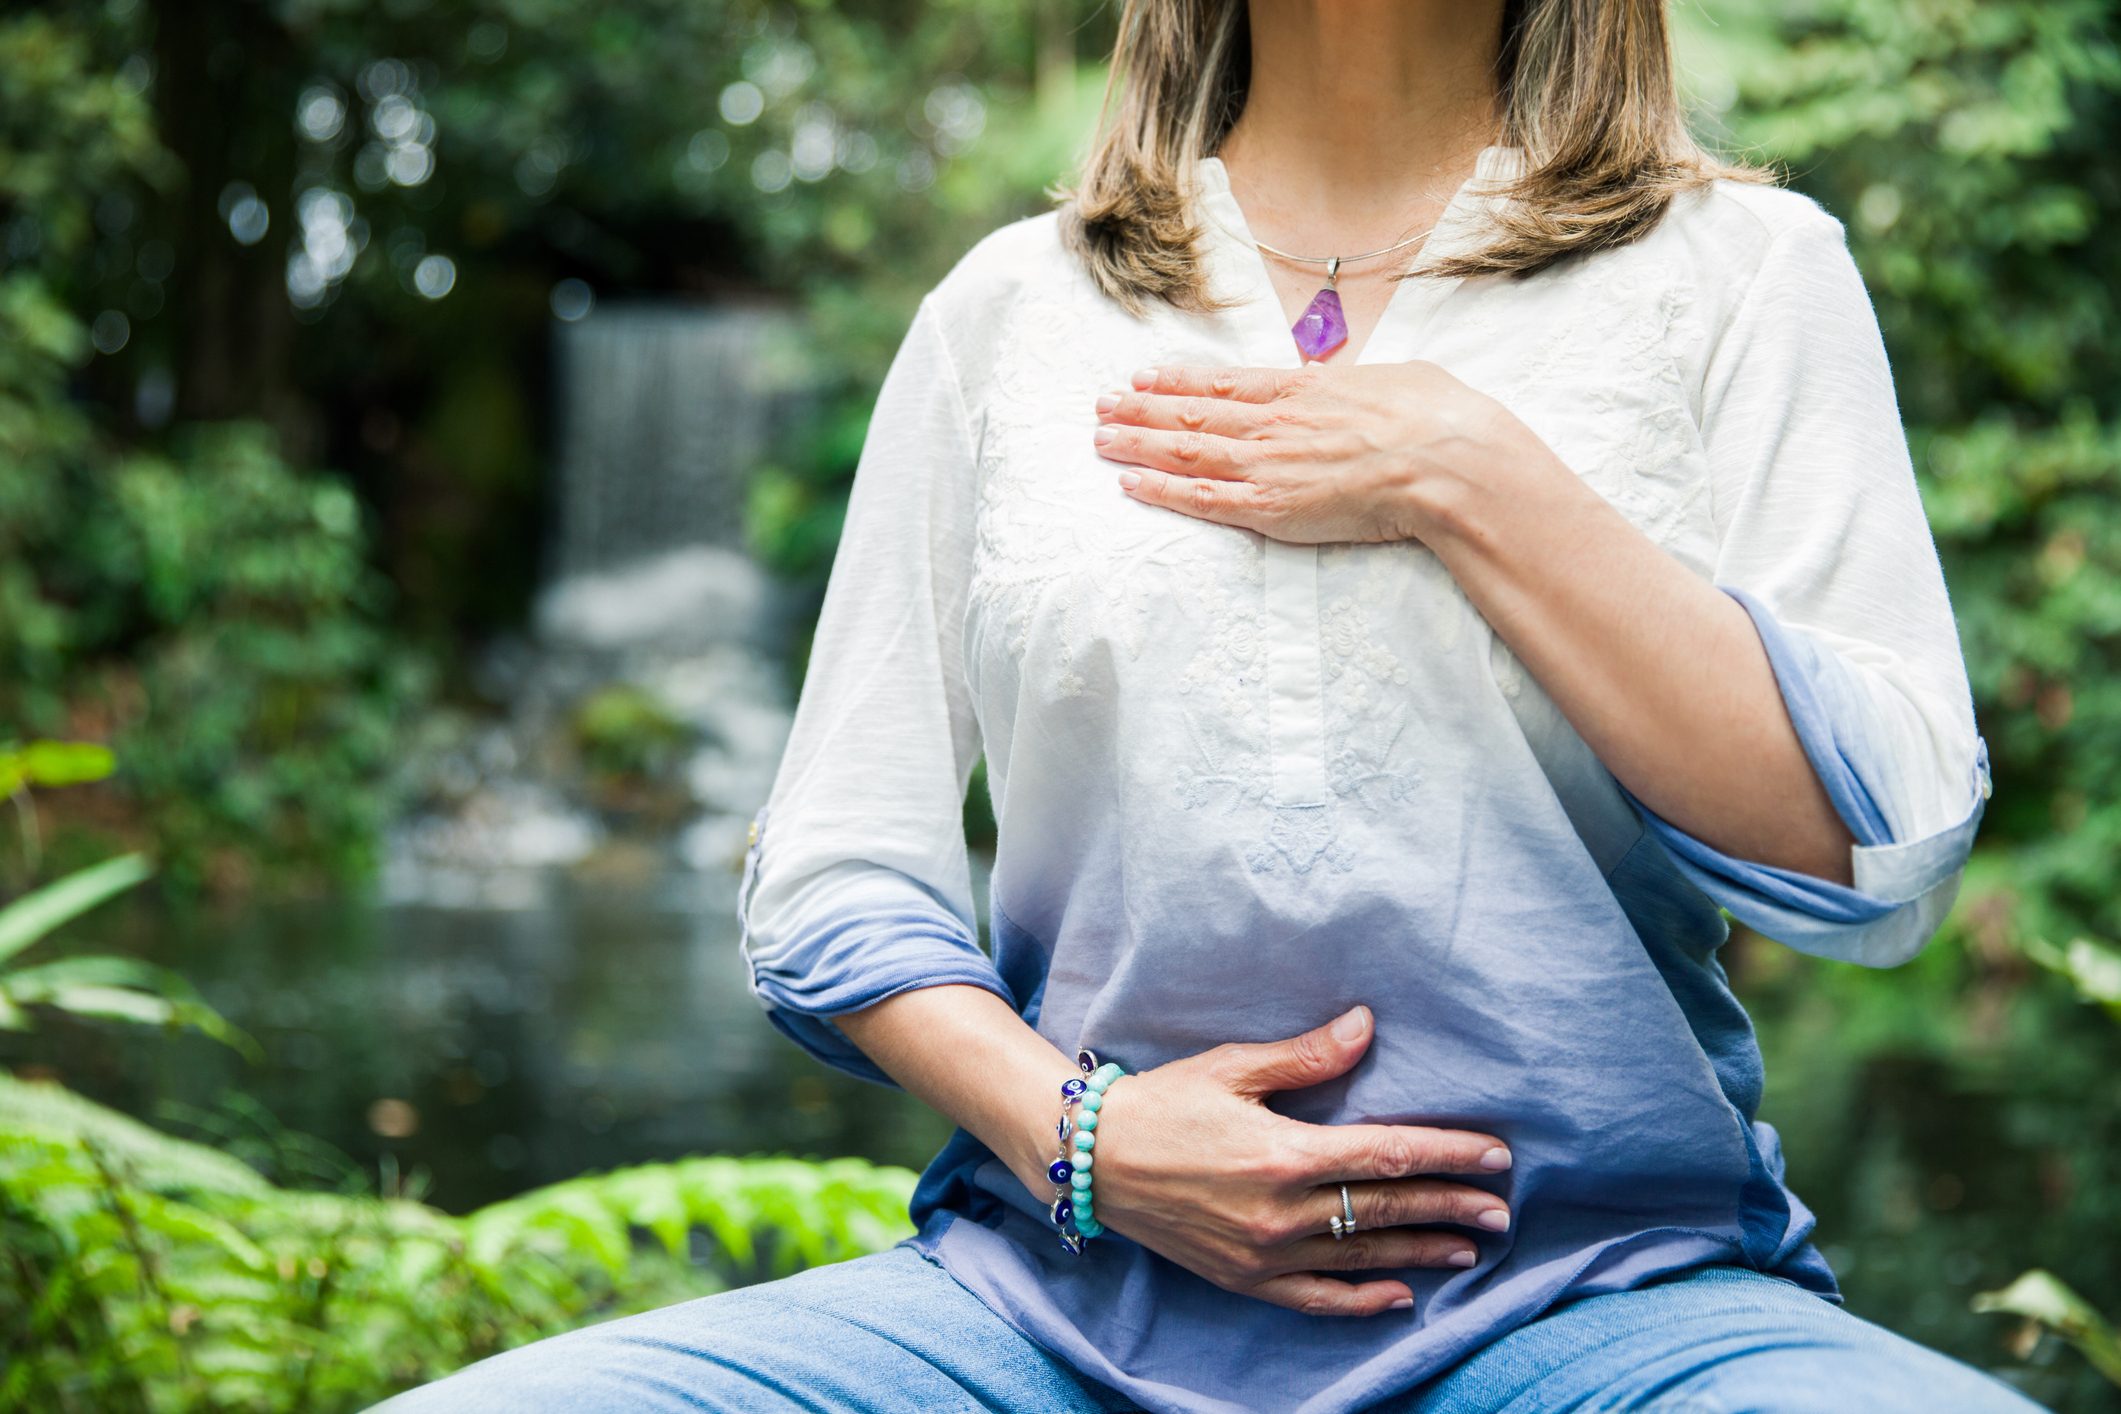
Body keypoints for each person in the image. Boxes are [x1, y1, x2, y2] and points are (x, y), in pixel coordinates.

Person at [376, 1, 2045, 1410]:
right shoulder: (1008, 312)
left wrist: (1466, 474)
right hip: (1036, 1309)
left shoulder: (1742, 272)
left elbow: (1876, 847)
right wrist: (1085, 1138)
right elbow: (832, 870)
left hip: (1603, 1306)